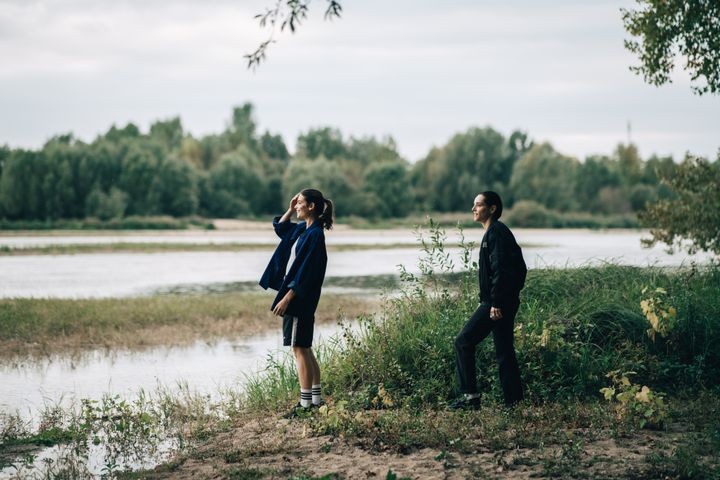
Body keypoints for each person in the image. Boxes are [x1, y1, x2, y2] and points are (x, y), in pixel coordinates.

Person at [449, 191, 527, 410]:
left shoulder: (497, 233)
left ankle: (470, 398)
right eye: (473, 205)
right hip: (501, 301)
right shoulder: (494, 232)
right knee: (504, 351)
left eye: (478, 205)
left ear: (492, 208)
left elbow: (503, 271)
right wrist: (502, 298)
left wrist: (495, 302)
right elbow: (518, 269)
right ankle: (515, 403)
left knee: (463, 341)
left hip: (497, 304)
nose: (473, 209)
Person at [259, 189, 334, 416]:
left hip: (299, 298)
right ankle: (316, 399)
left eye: (300, 202)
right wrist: (290, 209)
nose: (297, 205)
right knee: (305, 348)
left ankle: (305, 406)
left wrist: (287, 298)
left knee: (298, 348)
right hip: (301, 297)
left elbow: (306, 272)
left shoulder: (315, 236)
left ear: (311, 206)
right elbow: (281, 229)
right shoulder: (304, 229)